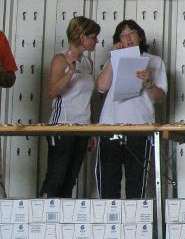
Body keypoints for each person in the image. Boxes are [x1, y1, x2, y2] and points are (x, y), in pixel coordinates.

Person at [95, 20, 167, 199]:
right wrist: (114, 57)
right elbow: (101, 87)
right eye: (123, 35)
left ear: (140, 36)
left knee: (136, 185)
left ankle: (134, 218)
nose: (128, 38)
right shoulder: (112, 60)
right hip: (110, 126)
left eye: (131, 33)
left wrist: (149, 83)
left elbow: (160, 98)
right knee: (108, 185)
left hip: (140, 127)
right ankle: (110, 218)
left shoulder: (155, 61)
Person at [40, 16, 100, 198]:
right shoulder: (60, 59)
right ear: (82, 37)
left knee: (70, 179)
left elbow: (88, 99)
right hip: (63, 124)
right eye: (93, 37)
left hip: (83, 127)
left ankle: (62, 215)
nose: (97, 41)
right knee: (56, 177)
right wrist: (70, 73)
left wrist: (91, 129)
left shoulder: (88, 63)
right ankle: (42, 211)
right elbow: (52, 91)